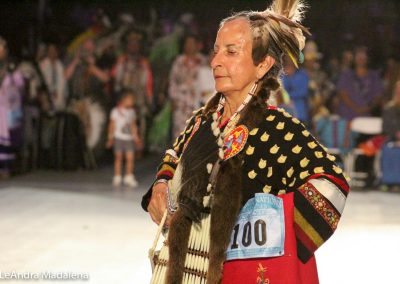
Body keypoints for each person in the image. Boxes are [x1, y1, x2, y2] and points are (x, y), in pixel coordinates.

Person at [143, 0, 350, 283]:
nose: (216, 61)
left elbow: (333, 183)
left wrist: (267, 225)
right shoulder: (202, 120)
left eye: (231, 52)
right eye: (216, 51)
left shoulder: (279, 129)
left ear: (262, 64)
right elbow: (172, 155)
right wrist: (161, 184)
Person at [112, 29, 153, 146]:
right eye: (131, 43)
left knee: (141, 123)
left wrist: (149, 99)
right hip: (124, 97)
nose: (133, 46)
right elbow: (116, 79)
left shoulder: (144, 62)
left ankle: (139, 147)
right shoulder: (122, 61)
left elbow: (148, 83)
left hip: (139, 98)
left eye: (136, 43)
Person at [169, 34, 206, 139]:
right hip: (181, 102)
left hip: (198, 101)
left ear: (197, 45)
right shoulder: (178, 61)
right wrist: (173, 99)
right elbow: (173, 81)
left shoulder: (203, 61)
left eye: (191, 43)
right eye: (187, 43)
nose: (189, 46)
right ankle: (179, 154)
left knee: (197, 131)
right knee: (179, 132)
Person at [336, 46, 384, 120]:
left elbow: (378, 96)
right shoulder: (346, 75)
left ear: (367, 58)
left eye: (363, 55)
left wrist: (367, 108)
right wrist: (356, 109)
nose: (361, 58)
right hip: (347, 118)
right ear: (354, 58)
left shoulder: (374, 76)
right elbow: (343, 94)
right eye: (358, 55)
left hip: (366, 118)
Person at [107, 91, 141, 187]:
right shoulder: (115, 111)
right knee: (118, 157)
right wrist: (110, 137)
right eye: (130, 99)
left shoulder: (132, 112)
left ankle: (129, 176)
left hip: (129, 139)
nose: (132, 102)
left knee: (130, 158)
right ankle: (117, 176)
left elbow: (133, 125)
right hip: (118, 137)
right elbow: (112, 124)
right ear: (123, 100)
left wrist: (136, 137)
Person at [282, 55, 310, 125]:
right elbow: (280, 90)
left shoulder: (303, 74)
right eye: (287, 57)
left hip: (300, 113)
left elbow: (303, 92)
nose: (289, 59)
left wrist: (287, 96)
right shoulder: (282, 74)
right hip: (284, 112)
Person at [39, 44, 67, 111]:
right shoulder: (42, 65)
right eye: (50, 50)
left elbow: (65, 84)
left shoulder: (61, 66)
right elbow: (40, 84)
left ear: (57, 52)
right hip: (47, 99)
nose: (52, 52)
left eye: (54, 50)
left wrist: (65, 96)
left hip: (60, 100)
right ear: (47, 52)